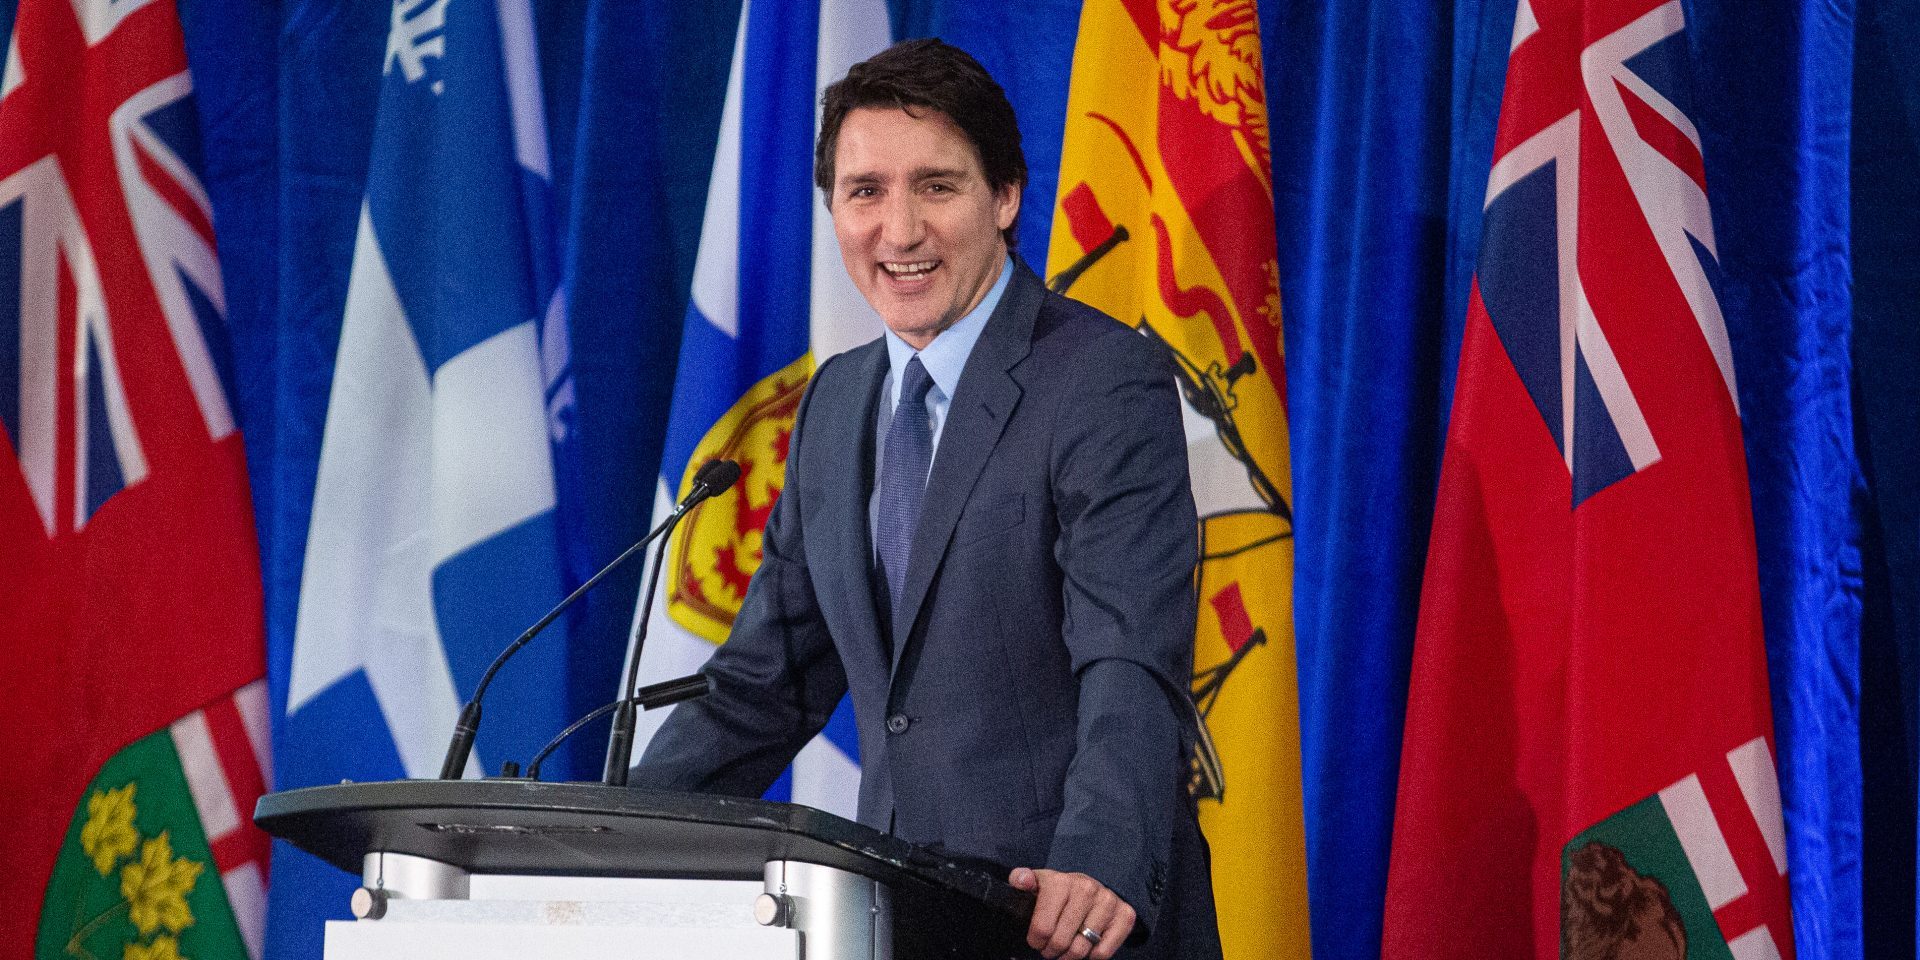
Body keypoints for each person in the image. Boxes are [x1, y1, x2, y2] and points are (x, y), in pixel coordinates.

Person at [633, 38, 1220, 960]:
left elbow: (1130, 652)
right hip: (896, 916)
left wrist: (1099, 856)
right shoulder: (836, 403)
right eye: (865, 192)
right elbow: (761, 689)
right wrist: (605, 839)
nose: (899, 231)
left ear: (1007, 196)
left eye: (937, 187)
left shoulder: (1103, 379)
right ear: (834, 210)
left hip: (1062, 917)